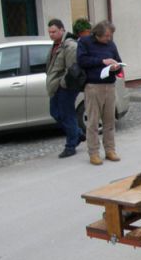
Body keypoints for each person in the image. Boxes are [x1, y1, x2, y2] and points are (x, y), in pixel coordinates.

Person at [77, 20, 122, 166]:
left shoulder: (111, 45)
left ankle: (110, 150)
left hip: (109, 85)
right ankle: (94, 153)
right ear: (98, 34)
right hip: (93, 86)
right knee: (93, 122)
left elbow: (119, 61)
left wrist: (116, 67)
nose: (109, 39)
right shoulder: (85, 42)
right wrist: (103, 61)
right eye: (106, 36)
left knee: (109, 121)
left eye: (110, 36)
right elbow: (82, 61)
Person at [45, 19, 84, 158]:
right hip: (56, 86)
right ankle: (78, 134)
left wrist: (62, 84)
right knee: (55, 113)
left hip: (66, 87)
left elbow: (72, 69)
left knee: (67, 115)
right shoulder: (56, 44)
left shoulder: (70, 45)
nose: (51, 34)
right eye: (49, 32)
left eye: (54, 31)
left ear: (62, 30)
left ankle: (71, 145)